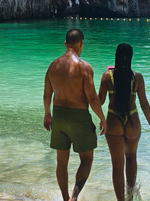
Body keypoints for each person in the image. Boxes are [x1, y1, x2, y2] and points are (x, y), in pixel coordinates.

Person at [44, 28, 107, 201]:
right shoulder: (84, 67)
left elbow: (47, 94)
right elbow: (93, 99)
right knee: (86, 159)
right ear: (81, 44)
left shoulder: (53, 66)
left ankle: (65, 199)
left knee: (61, 162)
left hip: (58, 116)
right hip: (79, 117)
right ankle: (74, 196)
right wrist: (102, 118)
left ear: (65, 44)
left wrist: (47, 115)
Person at [98, 43, 150, 201]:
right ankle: (130, 197)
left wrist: (101, 120)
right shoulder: (137, 77)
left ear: (116, 57)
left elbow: (99, 101)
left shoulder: (107, 77)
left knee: (117, 166)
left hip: (113, 120)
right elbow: (144, 104)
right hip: (133, 121)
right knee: (131, 157)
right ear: (131, 58)